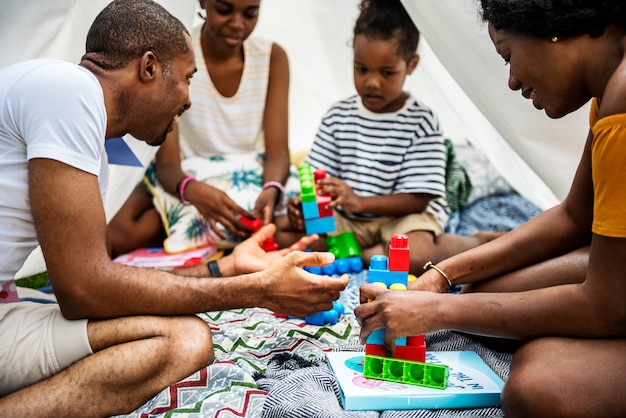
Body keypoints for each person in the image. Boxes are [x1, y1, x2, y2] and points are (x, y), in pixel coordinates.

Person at [0, 1, 347, 416]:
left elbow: (101, 280)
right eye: (186, 79)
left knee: (183, 336)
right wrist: (257, 291)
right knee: (184, 341)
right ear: (148, 68)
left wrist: (225, 268)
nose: (188, 101)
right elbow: (83, 291)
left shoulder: (75, 113)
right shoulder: (66, 90)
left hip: (9, 308)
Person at [355, 0, 626, 416]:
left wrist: (438, 311)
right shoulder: (611, 89)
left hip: (613, 298)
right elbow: (574, 216)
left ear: (553, 27)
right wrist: (443, 277)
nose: (513, 81)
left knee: (534, 389)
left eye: (508, 56)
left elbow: (607, 306)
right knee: (486, 293)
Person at [274, 0, 499, 275]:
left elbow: (418, 199)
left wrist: (360, 202)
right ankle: (370, 252)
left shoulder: (420, 121)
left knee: (415, 254)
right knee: (284, 229)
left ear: (411, 65)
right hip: (348, 219)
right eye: (362, 69)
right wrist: (304, 205)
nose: (372, 82)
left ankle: (480, 242)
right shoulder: (337, 116)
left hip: (401, 219)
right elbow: (317, 179)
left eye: (387, 72)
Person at [108, 0, 292, 256]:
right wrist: (192, 190)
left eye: (250, 13)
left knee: (306, 217)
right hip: (186, 174)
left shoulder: (273, 58)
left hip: (248, 173)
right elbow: (168, 165)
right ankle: (214, 238)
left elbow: (278, 154)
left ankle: (197, 236)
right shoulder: (176, 56)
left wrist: (271, 189)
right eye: (224, 10)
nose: (237, 24)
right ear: (203, 2)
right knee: (117, 232)